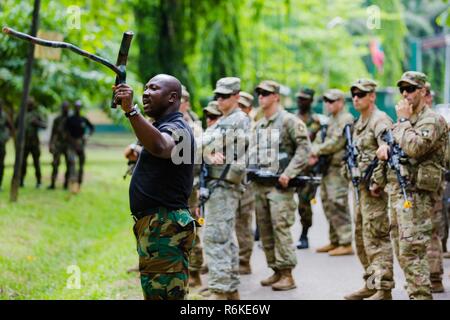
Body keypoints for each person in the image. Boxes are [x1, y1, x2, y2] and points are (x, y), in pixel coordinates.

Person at [113, 74, 197, 300]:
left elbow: (161, 146)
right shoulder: (163, 126)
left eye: (154, 89)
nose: (146, 93)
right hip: (157, 226)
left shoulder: (178, 127)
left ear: (172, 98)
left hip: (165, 227)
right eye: (145, 88)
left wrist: (132, 111)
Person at [375, 71, 448, 299]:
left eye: (411, 89)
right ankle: (416, 292)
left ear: (423, 91)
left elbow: (415, 148)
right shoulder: (403, 122)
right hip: (398, 192)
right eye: (402, 90)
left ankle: (421, 295)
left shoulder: (432, 120)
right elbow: (396, 150)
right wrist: (383, 155)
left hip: (418, 195)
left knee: (413, 250)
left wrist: (404, 122)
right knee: (401, 249)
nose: (405, 94)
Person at [252, 80, 311, 291]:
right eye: (259, 93)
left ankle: (287, 273)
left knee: (280, 228)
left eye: (266, 93)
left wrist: (289, 173)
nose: (261, 97)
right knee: (265, 229)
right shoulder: (258, 124)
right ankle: (275, 270)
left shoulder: (289, 121)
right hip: (260, 186)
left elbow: (304, 149)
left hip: (280, 186)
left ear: (276, 96)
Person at [342, 79, 394, 300]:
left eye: (361, 94)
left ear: (372, 96)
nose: (356, 98)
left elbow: (387, 148)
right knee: (363, 239)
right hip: (360, 189)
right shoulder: (359, 122)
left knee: (377, 239)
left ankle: (384, 289)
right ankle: (372, 284)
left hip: (374, 190)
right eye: (353, 94)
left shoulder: (379, 120)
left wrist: (378, 182)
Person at [202, 77, 250, 300]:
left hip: (223, 185)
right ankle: (230, 291)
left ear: (237, 97)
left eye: (224, 96)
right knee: (225, 238)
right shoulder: (227, 119)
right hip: (219, 185)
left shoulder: (236, 120)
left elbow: (199, 142)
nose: (219, 100)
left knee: (215, 237)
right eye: (217, 96)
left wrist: (204, 150)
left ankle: (220, 292)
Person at [310, 89, 354, 256]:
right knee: (328, 204)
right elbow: (320, 139)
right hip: (326, 167)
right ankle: (335, 240)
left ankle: (346, 241)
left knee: (338, 202)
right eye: (326, 101)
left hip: (338, 168)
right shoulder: (330, 119)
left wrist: (316, 151)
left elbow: (336, 142)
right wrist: (315, 149)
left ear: (341, 102)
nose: (328, 104)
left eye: (332, 101)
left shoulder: (345, 119)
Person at [423, 82, 446, 293]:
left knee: (431, 232)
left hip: (433, 185)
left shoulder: (436, 121)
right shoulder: (416, 120)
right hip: (417, 186)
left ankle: (435, 277)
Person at [295, 87, 321, 249]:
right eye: (299, 98)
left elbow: (309, 138)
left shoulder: (315, 120)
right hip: (291, 166)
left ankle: (304, 233)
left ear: (311, 101)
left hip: (308, 169)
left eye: (304, 98)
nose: (300, 101)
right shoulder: (292, 119)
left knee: (304, 203)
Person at [235, 91, 256, 274]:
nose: (239, 109)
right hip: (228, 182)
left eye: (242, 106)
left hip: (246, 183)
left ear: (249, 109)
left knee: (243, 222)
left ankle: (244, 261)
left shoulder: (253, 128)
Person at [66, 100, 94, 193]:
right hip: (71, 144)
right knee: (72, 163)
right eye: (76, 106)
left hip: (81, 145)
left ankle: (79, 183)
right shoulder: (70, 119)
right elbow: (65, 131)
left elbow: (91, 128)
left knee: (81, 165)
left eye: (79, 107)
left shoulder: (83, 119)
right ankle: (71, 183)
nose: (77, 108)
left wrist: (87, 136)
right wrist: (70, 140)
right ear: (74, 108)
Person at [19, 98, 47, 188]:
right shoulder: (21, 114)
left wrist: (37, 123)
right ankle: (21, 181)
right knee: (23, 163)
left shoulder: (37, 114)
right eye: (28, 104)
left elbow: (45, 125)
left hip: (34, 143)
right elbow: (14, 126)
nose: (30, 105)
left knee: (36, 162)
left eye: (31, 104)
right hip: (24, 143)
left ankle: (39, 181)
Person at [48, 101, 70, 190]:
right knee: (55, 164)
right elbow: (53, 132)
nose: (65, 109)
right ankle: (53, 183)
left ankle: (66, 184)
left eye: (67, 107)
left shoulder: (71, 119)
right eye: (64, 107)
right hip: (58, 144)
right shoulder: (57, 119)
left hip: (68, 145)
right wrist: (50, 144)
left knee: (69, 164)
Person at [0, 100, 12, 191]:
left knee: (1, 164)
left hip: (1, 144)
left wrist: (7, 137)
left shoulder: (4, 116)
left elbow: (11, 127)